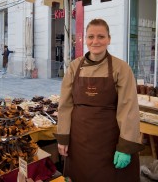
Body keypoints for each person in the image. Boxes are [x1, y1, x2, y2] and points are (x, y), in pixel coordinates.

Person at [55, 18, 144, 182]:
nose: (95, 41)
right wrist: (63, 137)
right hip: (78, 140)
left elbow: (129, 109)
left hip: (109, 141)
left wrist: (125, 146)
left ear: (109, 39)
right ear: (84, 39)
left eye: (101, 36)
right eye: (91, 37)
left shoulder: (121, 68)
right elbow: (65, 105)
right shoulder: (74, 67)